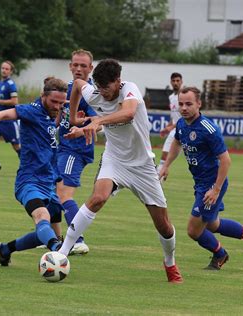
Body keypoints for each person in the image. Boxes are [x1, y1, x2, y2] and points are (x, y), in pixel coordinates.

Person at [59, 59, 183, 283]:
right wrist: (75, 116)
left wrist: (97, 122)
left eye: (107, 88)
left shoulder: (130, 90)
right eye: (99, 88)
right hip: (114, 160)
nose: (103, 93)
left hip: (143, 166)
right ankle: (62, 253)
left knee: (163, 225)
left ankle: (170, 262)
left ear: (118, 81)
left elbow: (128, 114)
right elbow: (78, 84)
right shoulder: (95, 91)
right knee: (97, 198)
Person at [159, 86, 243, 271]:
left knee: (194, 230)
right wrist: (166, 165)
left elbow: (226, 160)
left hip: (211, 184)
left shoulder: (208, 129)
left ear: (199, 104)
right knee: (213, 224)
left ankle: (220, 254)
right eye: (181, 104)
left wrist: (215, 189)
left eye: (189, 104)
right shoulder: (183, 124)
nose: (184, 108)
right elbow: (177, 141)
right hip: (200, 183)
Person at [0, 77, 68, 266]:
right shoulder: (31, 111)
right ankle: (57, 253)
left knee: (46, 233)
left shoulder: (59, 112)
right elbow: (0, 115)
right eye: (54, 101)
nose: (57, 106)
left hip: (50, 182)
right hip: (29, 181)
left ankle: (5, 249)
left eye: (61, 102)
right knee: (42, 217)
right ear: (43, 96)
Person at [56, 49, 97, 255]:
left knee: (64, 194)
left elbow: (97, 120)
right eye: (75, 65)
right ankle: (53, 237)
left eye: (83, 65)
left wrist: (82, 125)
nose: (79, 68)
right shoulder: (68, 88)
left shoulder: (91, 92)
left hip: (75, 149)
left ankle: (77, 240)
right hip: (61, 148)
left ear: (91, 68)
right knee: (52, 193)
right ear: (70, 66)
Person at [157, 72, 183, 173]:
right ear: (171, 82)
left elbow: (185, 118)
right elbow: (174, 117)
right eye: (174, 81)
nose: (176, 83)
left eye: (178, 81)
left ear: (181, 82)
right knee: (165, 157)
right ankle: (159, 180)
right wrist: (167, 127)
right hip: (175, 130)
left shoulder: (183, 96)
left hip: (183, 129)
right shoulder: (171, 97)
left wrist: (170, 127)